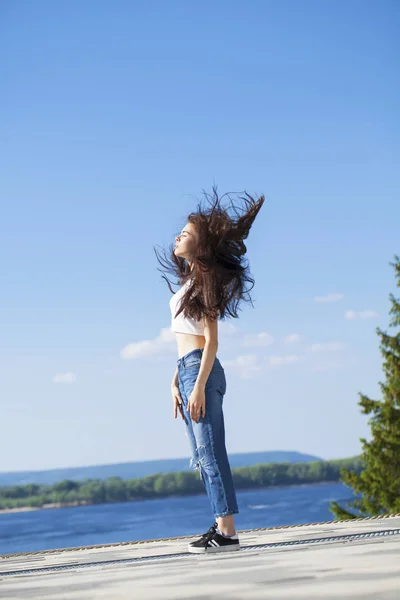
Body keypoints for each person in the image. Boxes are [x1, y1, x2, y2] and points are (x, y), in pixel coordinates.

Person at [154, 187, 264, 553]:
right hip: (187, 370)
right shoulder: (188, 284)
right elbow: (184, 337)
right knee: (203, 456)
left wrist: (198, 385)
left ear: (199, 246)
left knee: (212, 451)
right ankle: (220, 523)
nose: (177, 236)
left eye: (184, 234)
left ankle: (228, 533)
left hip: (201, 370)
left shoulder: (206, 284)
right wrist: (176, 381)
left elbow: (211, 342)